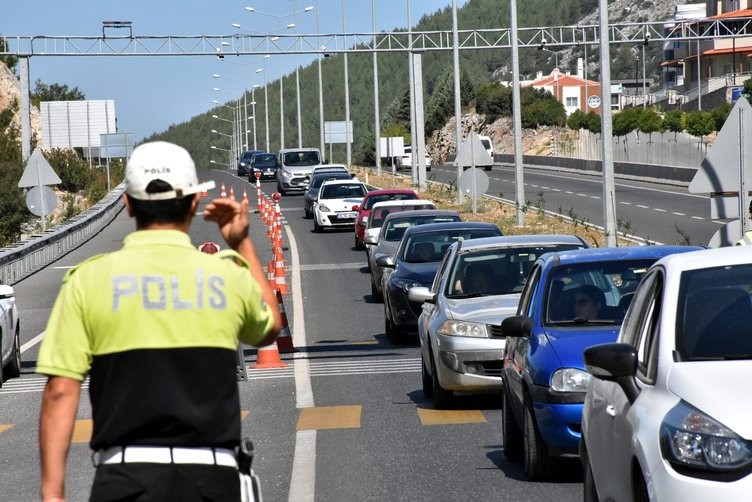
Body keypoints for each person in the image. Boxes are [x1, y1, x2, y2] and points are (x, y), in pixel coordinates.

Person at [37, 141, 281, 502]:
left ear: (128, 204)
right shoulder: (224, 276)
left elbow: (60, 391)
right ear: (195, 202)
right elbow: (270, 327)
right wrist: (242, 242)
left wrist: (52, 494)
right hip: (213, 479)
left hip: (124, 478)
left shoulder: (88, 281)